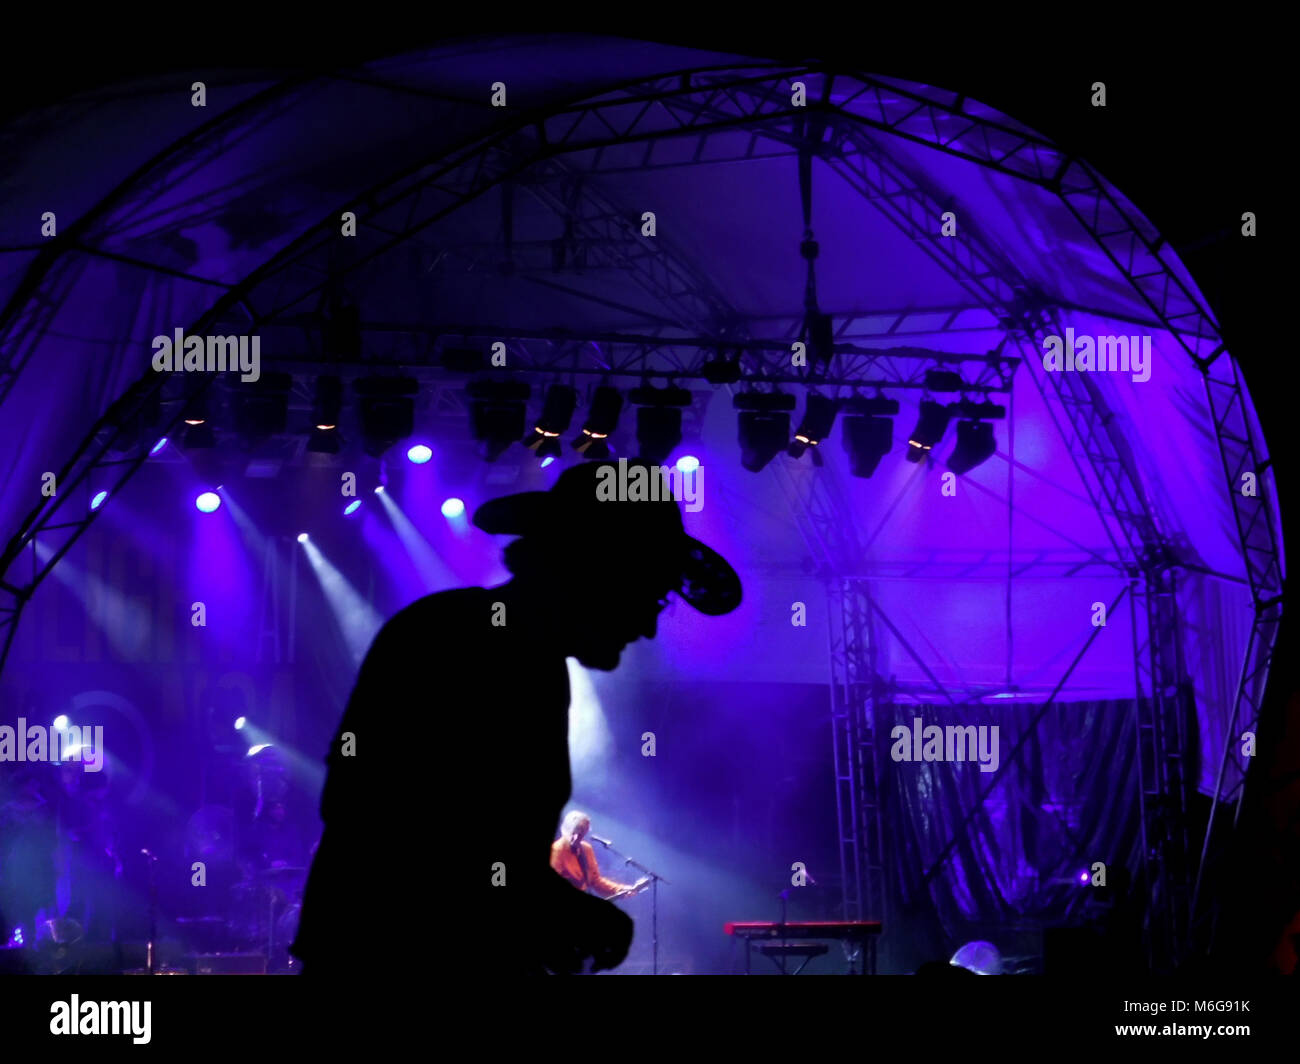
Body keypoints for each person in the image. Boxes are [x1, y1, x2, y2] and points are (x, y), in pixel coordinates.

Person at [290, 459, 740, 975]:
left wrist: (544, 907)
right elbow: (374, 814)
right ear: (596, 570)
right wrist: (555, 909)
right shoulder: (459, 642)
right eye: (648, 596)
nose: (648, 627)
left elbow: (464, 841)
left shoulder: (509, 654)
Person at [551, 811, 647, 899]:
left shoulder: (586, 849)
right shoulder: (555, 851)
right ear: (566, 829)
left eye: (581, 833)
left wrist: (619, 889)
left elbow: (595, 881)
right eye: (574, 832)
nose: (576, 837)